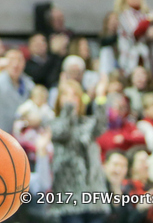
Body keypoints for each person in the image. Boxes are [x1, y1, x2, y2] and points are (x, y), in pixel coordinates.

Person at [49, 77, 111, 222]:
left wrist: (100, 96)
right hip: (69, 199)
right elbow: (63, 131)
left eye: (75, 95)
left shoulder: (87, 123)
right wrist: (68, 109)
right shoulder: (53, 123)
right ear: (59, 100)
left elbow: (101, 125)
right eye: (66, 95)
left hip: (94, 197)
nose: (71, 100)